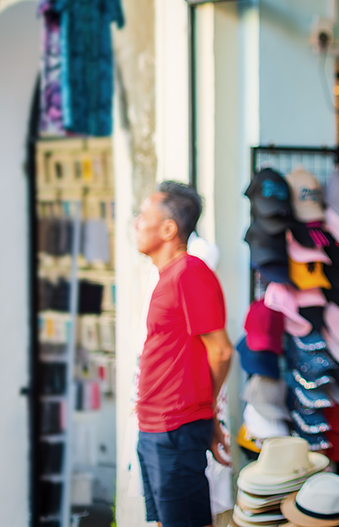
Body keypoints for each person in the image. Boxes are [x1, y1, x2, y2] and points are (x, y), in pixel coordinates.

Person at [134, 181, 234, 527]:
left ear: (168, 228)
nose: (136, 222)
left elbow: (221, 351)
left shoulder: (189, 273)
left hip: (174, 428)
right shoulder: (168, 276)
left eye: (142, 215)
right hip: (154, 427)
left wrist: (203, 413)